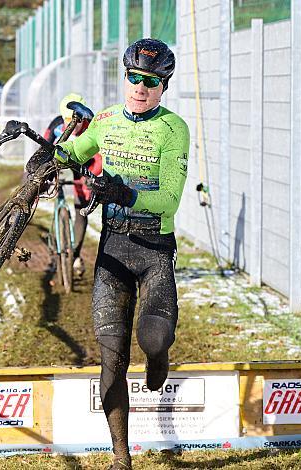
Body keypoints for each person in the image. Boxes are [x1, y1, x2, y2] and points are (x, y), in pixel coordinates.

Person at [27, 38, 190, 470]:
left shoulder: (173, 129)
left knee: (152, 337)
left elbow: (170, 200)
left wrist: (126, 192)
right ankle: (122, 457)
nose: (140, 87)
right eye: (134, 78)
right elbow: (72, 153)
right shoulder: (104, 121)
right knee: (112, 358)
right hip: (114, 248)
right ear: (125, 78)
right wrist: (40, 151)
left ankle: (160, 356)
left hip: (154, 248)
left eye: (150, 82)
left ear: (163, 87)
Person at [43, 92, 102, 277]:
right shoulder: (56, 126)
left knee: (82, 206)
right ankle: (58, 236)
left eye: (77, 120)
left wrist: (89, 178)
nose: (73, 124)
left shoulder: (92, 126)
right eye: (69, 119)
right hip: (60, 160)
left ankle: (74, 254)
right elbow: (43, 149)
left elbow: (100, 158)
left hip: (85, 165)